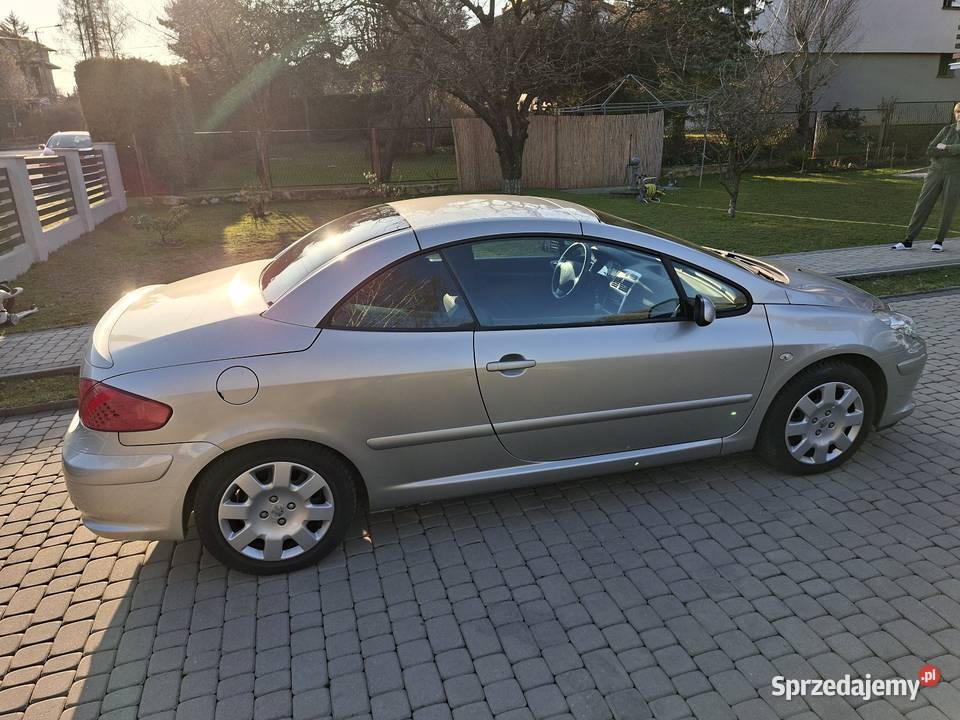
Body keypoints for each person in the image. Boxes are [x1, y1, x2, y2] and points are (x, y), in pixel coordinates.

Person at [892, 101, 960, 252]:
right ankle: (908, 240)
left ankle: (939, 241)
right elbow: (930, 149)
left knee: (948, 207)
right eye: (957, 112)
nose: (959, 115)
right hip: (935, 171)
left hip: (955, 174)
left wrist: (946, 147)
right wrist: (952, 151)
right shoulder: (946, 129)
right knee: (923, 204)